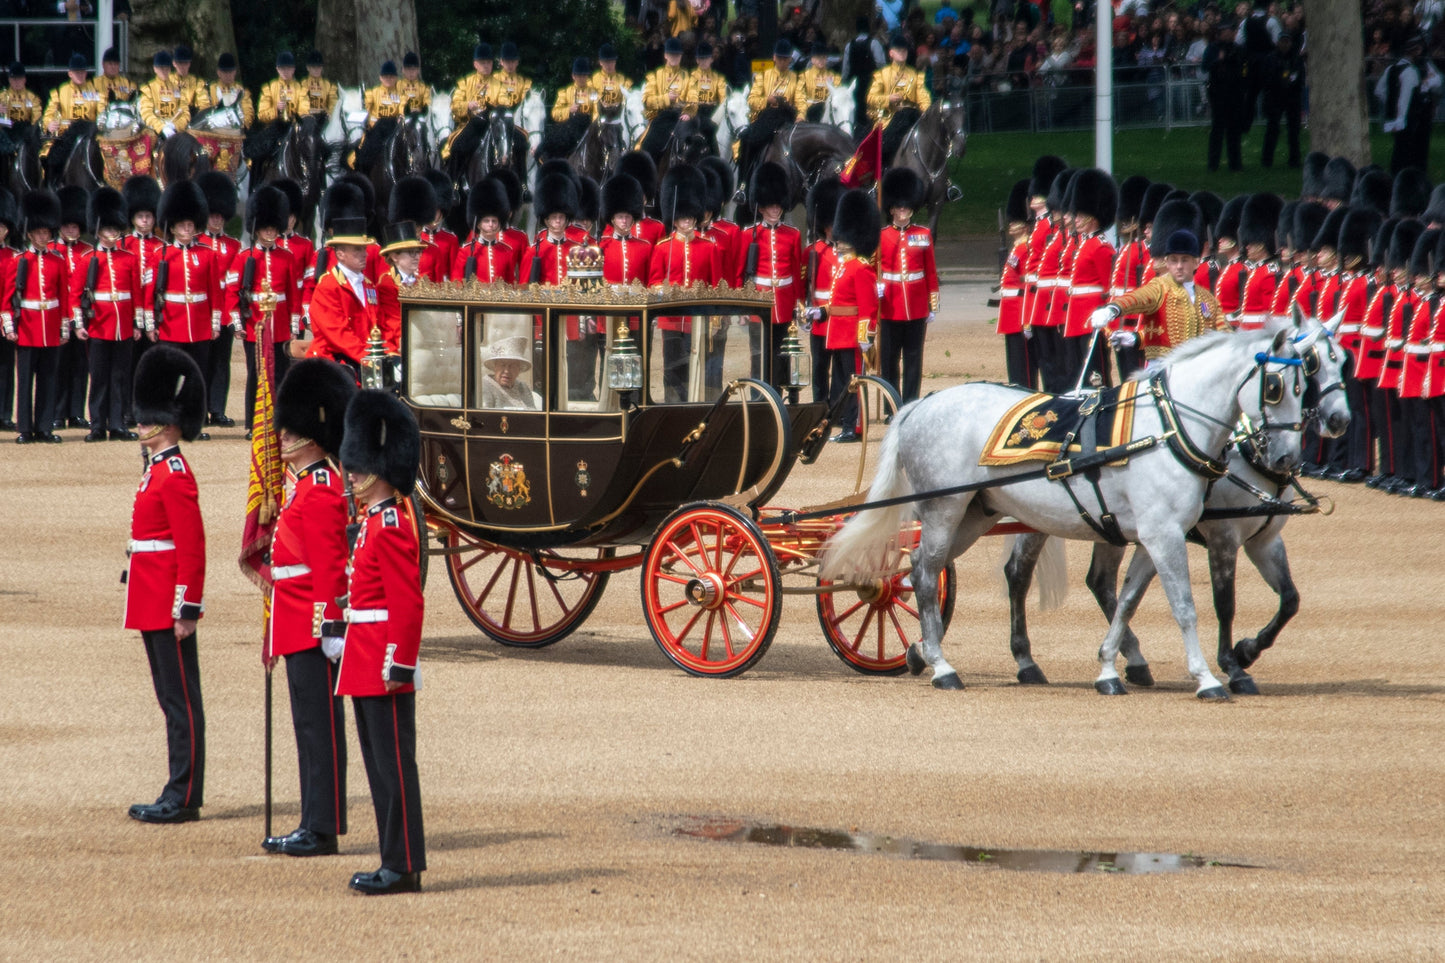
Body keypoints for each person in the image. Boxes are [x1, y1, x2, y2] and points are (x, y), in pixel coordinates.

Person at [261, 357, 356, 858]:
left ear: (312, 436)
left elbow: (330, 571)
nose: (281, 438)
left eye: (290, 431)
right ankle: (315, 818)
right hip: (296, 623)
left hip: (313, 628)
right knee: (309, 727)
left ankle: (320, 826)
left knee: (318, 729)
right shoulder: (308, 484)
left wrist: (329, 628)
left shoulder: (320, 489)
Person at [337, 389, 427, 895]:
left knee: (393, 768)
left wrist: (399, 664)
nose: (350, 473)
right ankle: (394, 858)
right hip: (365, 655)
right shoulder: (373, 521)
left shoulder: (390, 523)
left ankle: (403, 863)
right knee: (380, 768)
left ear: (377, 466)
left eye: (357, 464)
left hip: (382, 662)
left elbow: (407, 603)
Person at [124, 344, 208, 824]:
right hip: (151, 596)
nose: (139, 425)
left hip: (168, 602)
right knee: (170, 698)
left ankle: (183, 792)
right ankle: (180, 787)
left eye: (146, 418)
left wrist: (187, 608)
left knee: (180, 702)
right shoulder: (157, 468)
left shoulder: (174, 474)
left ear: (168, 423)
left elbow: (191, 548)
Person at [1089, 228, 1229, 365]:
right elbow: (1137, 298)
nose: (1179, 266)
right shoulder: (1159, 287)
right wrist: (1113, 309)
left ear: (1196, 262)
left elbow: (1224, 333)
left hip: (1193, 368)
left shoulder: (1207, 300)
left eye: (1185, 260)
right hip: (1161, 366)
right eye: (1174, 260)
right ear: (1167, 263)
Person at [232, 185, 302, 429]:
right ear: (257, 228)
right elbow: (233, 292)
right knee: (256, 375)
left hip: (281, 325)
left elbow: (294, 294)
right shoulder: (244, 258)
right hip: (255, 325)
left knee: (281, 376)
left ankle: (279, 421)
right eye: (266, 228)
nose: (270, 232)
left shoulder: (287, 257)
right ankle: (253, 423)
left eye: (273, 228)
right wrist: (237, 324)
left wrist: (294, 326)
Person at [649, 164, 719, 402]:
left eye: (690, 217)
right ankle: (673, 406)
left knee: (696, 367)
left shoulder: (709, 247)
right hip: (671, 320)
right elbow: (653, 282)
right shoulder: (661, 248)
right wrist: (663, 291)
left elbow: (716, 286)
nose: (686, 221)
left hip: (698, 319)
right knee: (672, 370)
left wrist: (716, 318)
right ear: (674, 219)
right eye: (681, 217)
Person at [76, 187, 141, 442]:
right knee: (99, 377)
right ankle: (97, 425)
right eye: (108, 230)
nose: (113, 235)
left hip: (123, 325)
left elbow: (135, 294)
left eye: (116, 230)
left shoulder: (129, 258)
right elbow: (76, 296)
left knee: (119, 377)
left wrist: (136, 324)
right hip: (98, 325)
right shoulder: (87, 259)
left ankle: (117, 424)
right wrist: (80, 324)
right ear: (99, 230)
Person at [5, 189, 69, 443]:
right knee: (25, 381)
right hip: (28, 326)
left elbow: (63, 296)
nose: (44, 237)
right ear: (30, 233)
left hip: (51, 326)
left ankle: (44, 427)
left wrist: (64, 327)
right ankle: (25, 429)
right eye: (39, 233)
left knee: (48, 379)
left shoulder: (58, 260)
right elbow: (7, 298)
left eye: (46, 232)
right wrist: (10, 326)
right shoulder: (19, 260)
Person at [150, 181, 221, 409]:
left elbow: (214, 291)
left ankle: (192, 418)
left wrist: (215, 322)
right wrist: (152, 323)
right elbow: (150, 292)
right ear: (172, 228)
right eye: (183, 226)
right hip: (171, 323)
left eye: (191, 225)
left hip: (199, 324)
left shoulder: (207, 254)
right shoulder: (161, 254)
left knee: (197, 375)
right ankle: (167, 415)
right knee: (168, 375)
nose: (188, 229)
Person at [876, 167, 938, 404]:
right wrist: (877, 287)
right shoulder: (881, 235)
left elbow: (930, 271)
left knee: (913, 357)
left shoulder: (922, 234)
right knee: (889, 358)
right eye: (899, 207)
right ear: (891, 209)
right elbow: (873, 268)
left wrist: (933, 304)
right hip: (890, 304)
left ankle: (911, 402)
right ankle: (892, 403)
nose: (903, 211)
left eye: (906, 207)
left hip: (916, 305)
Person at [740, 162, 803, 387]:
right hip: (759, 300)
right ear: (761, 208)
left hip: (785, 302)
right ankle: (759, 396)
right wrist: (744, 306)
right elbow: (742, 273)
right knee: (758, 354)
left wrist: (798, 303)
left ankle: (779, 396)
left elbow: (795, 272)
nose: (775, 210)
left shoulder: (793, 235)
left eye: (778, 206)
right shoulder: (749, 234)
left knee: (782, 353)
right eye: (770, 207)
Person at [1062, 169, 1118, 388]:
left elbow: (1108, 288)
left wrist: (1109, 325)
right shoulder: (1084, 244)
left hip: (1092, 318)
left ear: (1093, 217)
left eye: (1080, 215)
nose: (1075, 219)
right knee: (1078, 372)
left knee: (1096, 374)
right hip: (1077, 318)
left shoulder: (1101, 247)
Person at [307, 215, 379, 373]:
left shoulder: (368, 285)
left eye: (364, 249)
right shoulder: (328, 286)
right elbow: (338, 334)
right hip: (333, 362)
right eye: (357, 250)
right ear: (340, 254)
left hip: (362, 359)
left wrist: (383, 354)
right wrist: (369, 358)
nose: (365, 254)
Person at [197, 172, 241, 427]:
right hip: (203, 311)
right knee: (202, 363)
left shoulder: (233, 246)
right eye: (212, 215)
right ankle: (201, 409)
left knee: (221, 363)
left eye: (219, 215)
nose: (216, 219)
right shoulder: (197, 242)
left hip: (225, 310)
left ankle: (217, 408)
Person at [1377, 34, 1441, 176]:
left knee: (1402, 152)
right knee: (1411, 155)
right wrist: (1400, 119)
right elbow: (1404, 99)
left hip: (1402, 119)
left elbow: (1380, 91)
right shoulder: (1410, 72)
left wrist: (1390, 107)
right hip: (1411, 120)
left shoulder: (1392, 69)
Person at [868, 33, 931, 163]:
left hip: (911, 118)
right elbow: (871, 98)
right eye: (898, 50)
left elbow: (923, 96)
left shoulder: (914, 75)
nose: (902, 53)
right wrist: (888, 98)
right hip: (889, 120)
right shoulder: (882, 75)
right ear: (891, 53)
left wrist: (926, 110)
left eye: (904, 50)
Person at [996, 179, 1033, 388]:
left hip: (1020, 311)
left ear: (1026, 225)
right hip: (1010, 312)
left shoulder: (1026, 248)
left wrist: (1027, 319)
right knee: (1014, 361)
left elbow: (1027, 284)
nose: (1011, 224)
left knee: (1023, 362)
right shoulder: (1017, 247)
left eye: (1016, 221)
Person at [452, 177, 517, 283]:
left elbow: (511, 283)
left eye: (494, 221)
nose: (491, 225)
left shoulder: (507, 251)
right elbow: (457, 282)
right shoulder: (466, 251)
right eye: (486, 221)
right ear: (478, 224)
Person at [375, 219, 423, 355]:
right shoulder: (387, 283)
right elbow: (393, 323)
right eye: (410, 253)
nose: (416, 257)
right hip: (397, 344)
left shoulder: (420, 282)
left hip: (420, 340)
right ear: (395, 256)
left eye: (417, 252)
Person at [1203, 25, 1246, 172]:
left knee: (1234, 131)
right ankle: (1213, 163)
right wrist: (1218, 61)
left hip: (1234, 93)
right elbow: (1205, 66)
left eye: (1231, 33)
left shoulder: (1238, 49)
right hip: (1218, 94)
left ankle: (1235, 163)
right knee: (1217, 130)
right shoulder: (1213, 49)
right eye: (1226, 33)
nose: (1229, 36)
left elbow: (1243, 67)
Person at [1260, 32, 1303, 170]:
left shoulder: (1296, 59)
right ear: (1278, 43)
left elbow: (1300, 78)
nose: (1285, 44)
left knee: (1294, 131)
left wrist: (1292, 83)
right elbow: (1267, 78)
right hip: (1275, 97)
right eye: (1282, 41)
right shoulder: (1271, 58)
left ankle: (1294, 159)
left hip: (1292, 97)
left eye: (1287, 41)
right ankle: (1267, 160)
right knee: (1272, 129)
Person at [139, 51, 190, 137]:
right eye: (161, 68)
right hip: (156, 132)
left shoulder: (177, 88)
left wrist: (176, 126)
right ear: (155, 69)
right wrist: (161, 127)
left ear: (170, 69)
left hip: (176, 131)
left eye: (166, 69)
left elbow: (185, 113)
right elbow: (146, 113)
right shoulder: (149, 89)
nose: (164, 72)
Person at [480, 335, 539, 409]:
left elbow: (533, 414)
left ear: (519, 370)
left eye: (512, 366)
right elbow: (485, 416)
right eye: (502, 365)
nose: (507, 371)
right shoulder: (485, 386)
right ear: (495, 367)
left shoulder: (523, 387)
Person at [209, 53, 255, 129]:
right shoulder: (211, 89)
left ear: (235, 72)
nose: (228, 75)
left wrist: (242, 125)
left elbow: (248, 112)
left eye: (230, 72)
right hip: (215, 131)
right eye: (225, 72)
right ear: (218, 73)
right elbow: (205, 110)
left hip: (236, 132)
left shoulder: (242, 91)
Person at [257, 51, 305, 124]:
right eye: (282, 68)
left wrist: (297, 118)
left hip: (294, 127)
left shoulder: (301, 88)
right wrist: (276, 110)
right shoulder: (269, 88)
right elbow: (261, 116)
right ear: (277, 69)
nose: (285, 71)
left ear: (293, 69)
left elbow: (305, 110)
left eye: (288, 68)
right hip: (275, 129)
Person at [797, 43, 840, 122]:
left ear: (827, 59)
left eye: (823, 57)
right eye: (818, 57)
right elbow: (800, 97)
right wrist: (801, 114)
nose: (821, 60)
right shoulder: (804, 76)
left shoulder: (835, 77)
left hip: (828, 115)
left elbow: (838, 97)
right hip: (810, 114)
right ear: (812, 59)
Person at [552, 58, 598, 123]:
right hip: (570, 128)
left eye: (584, 75)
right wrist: (569, 110)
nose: (582, 78)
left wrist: (593, 126)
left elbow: (597, 112)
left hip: (588, 128)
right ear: (573, 76)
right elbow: (555, 113)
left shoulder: (593, 92)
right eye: (579, 76)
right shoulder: (565, 92)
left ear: (587, 76)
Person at [1, 62, 43, 127]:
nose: (17, 82)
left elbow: (37, 119)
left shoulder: (32, 98)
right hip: (6, 131)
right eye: (14, 79)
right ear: (9, 80)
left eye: (19, 78)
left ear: (24, 80)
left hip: (26, 132)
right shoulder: (1, 96)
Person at [171, 45, 212, 114]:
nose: (182, 66)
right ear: (174, 63)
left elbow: (204, 103)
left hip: (191, 117)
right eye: (180, 63)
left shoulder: (197, 82)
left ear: (189, 64)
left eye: (186, 63)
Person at [302, 50, 339, 118]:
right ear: (308, 68)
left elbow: (333, 101)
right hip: (308, 117)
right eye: (314, 67)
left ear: (322, 68)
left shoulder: (329, 85)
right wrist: (307, 112)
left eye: (319, 67)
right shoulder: (303, 84)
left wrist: (330, 113)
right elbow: (302, 101)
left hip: (324, 117)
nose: (316, 70)